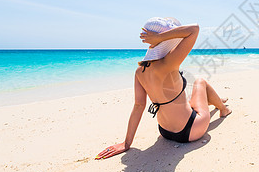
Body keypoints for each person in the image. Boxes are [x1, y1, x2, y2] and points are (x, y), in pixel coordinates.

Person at [96, 17, 231, 160]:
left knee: (190, 96)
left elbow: (138, 106)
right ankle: (223, 108)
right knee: (200, 81)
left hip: (165, 131)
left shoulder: (139, 71)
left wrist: (126, 143)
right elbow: (194, 29)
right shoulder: (169, 63)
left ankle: (215, 100)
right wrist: (160, 37)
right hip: (190, 130)